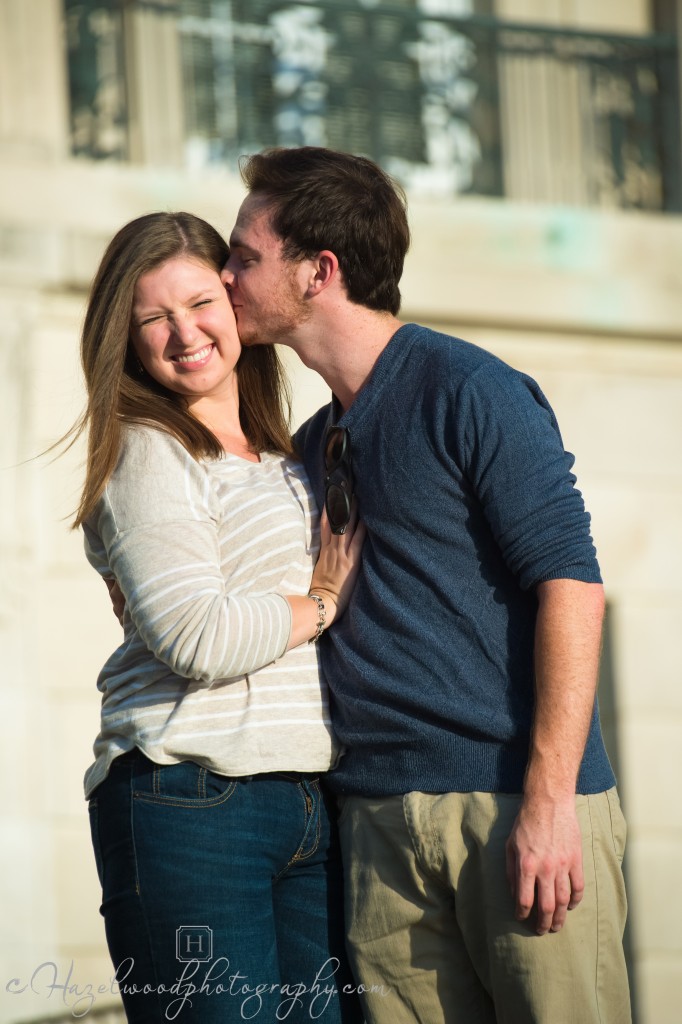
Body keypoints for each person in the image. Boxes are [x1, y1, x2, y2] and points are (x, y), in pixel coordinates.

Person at [220, 146, 632, 1024]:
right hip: (374, 832)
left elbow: (573, 586)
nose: (226, 276)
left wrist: (550, 802)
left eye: (244, 256)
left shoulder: (470, 390)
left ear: (319, 271)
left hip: (514, 810)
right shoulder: (311, 440)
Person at [73, 211, 365, 1023]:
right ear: (125, 340)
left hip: (309, 800)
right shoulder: (145, 452)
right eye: (152, 319)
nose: (184, 333)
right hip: (190, 800)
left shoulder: (286, 456)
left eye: (200, 302)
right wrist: (320, 602)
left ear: (235, 301)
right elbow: (197, 637)